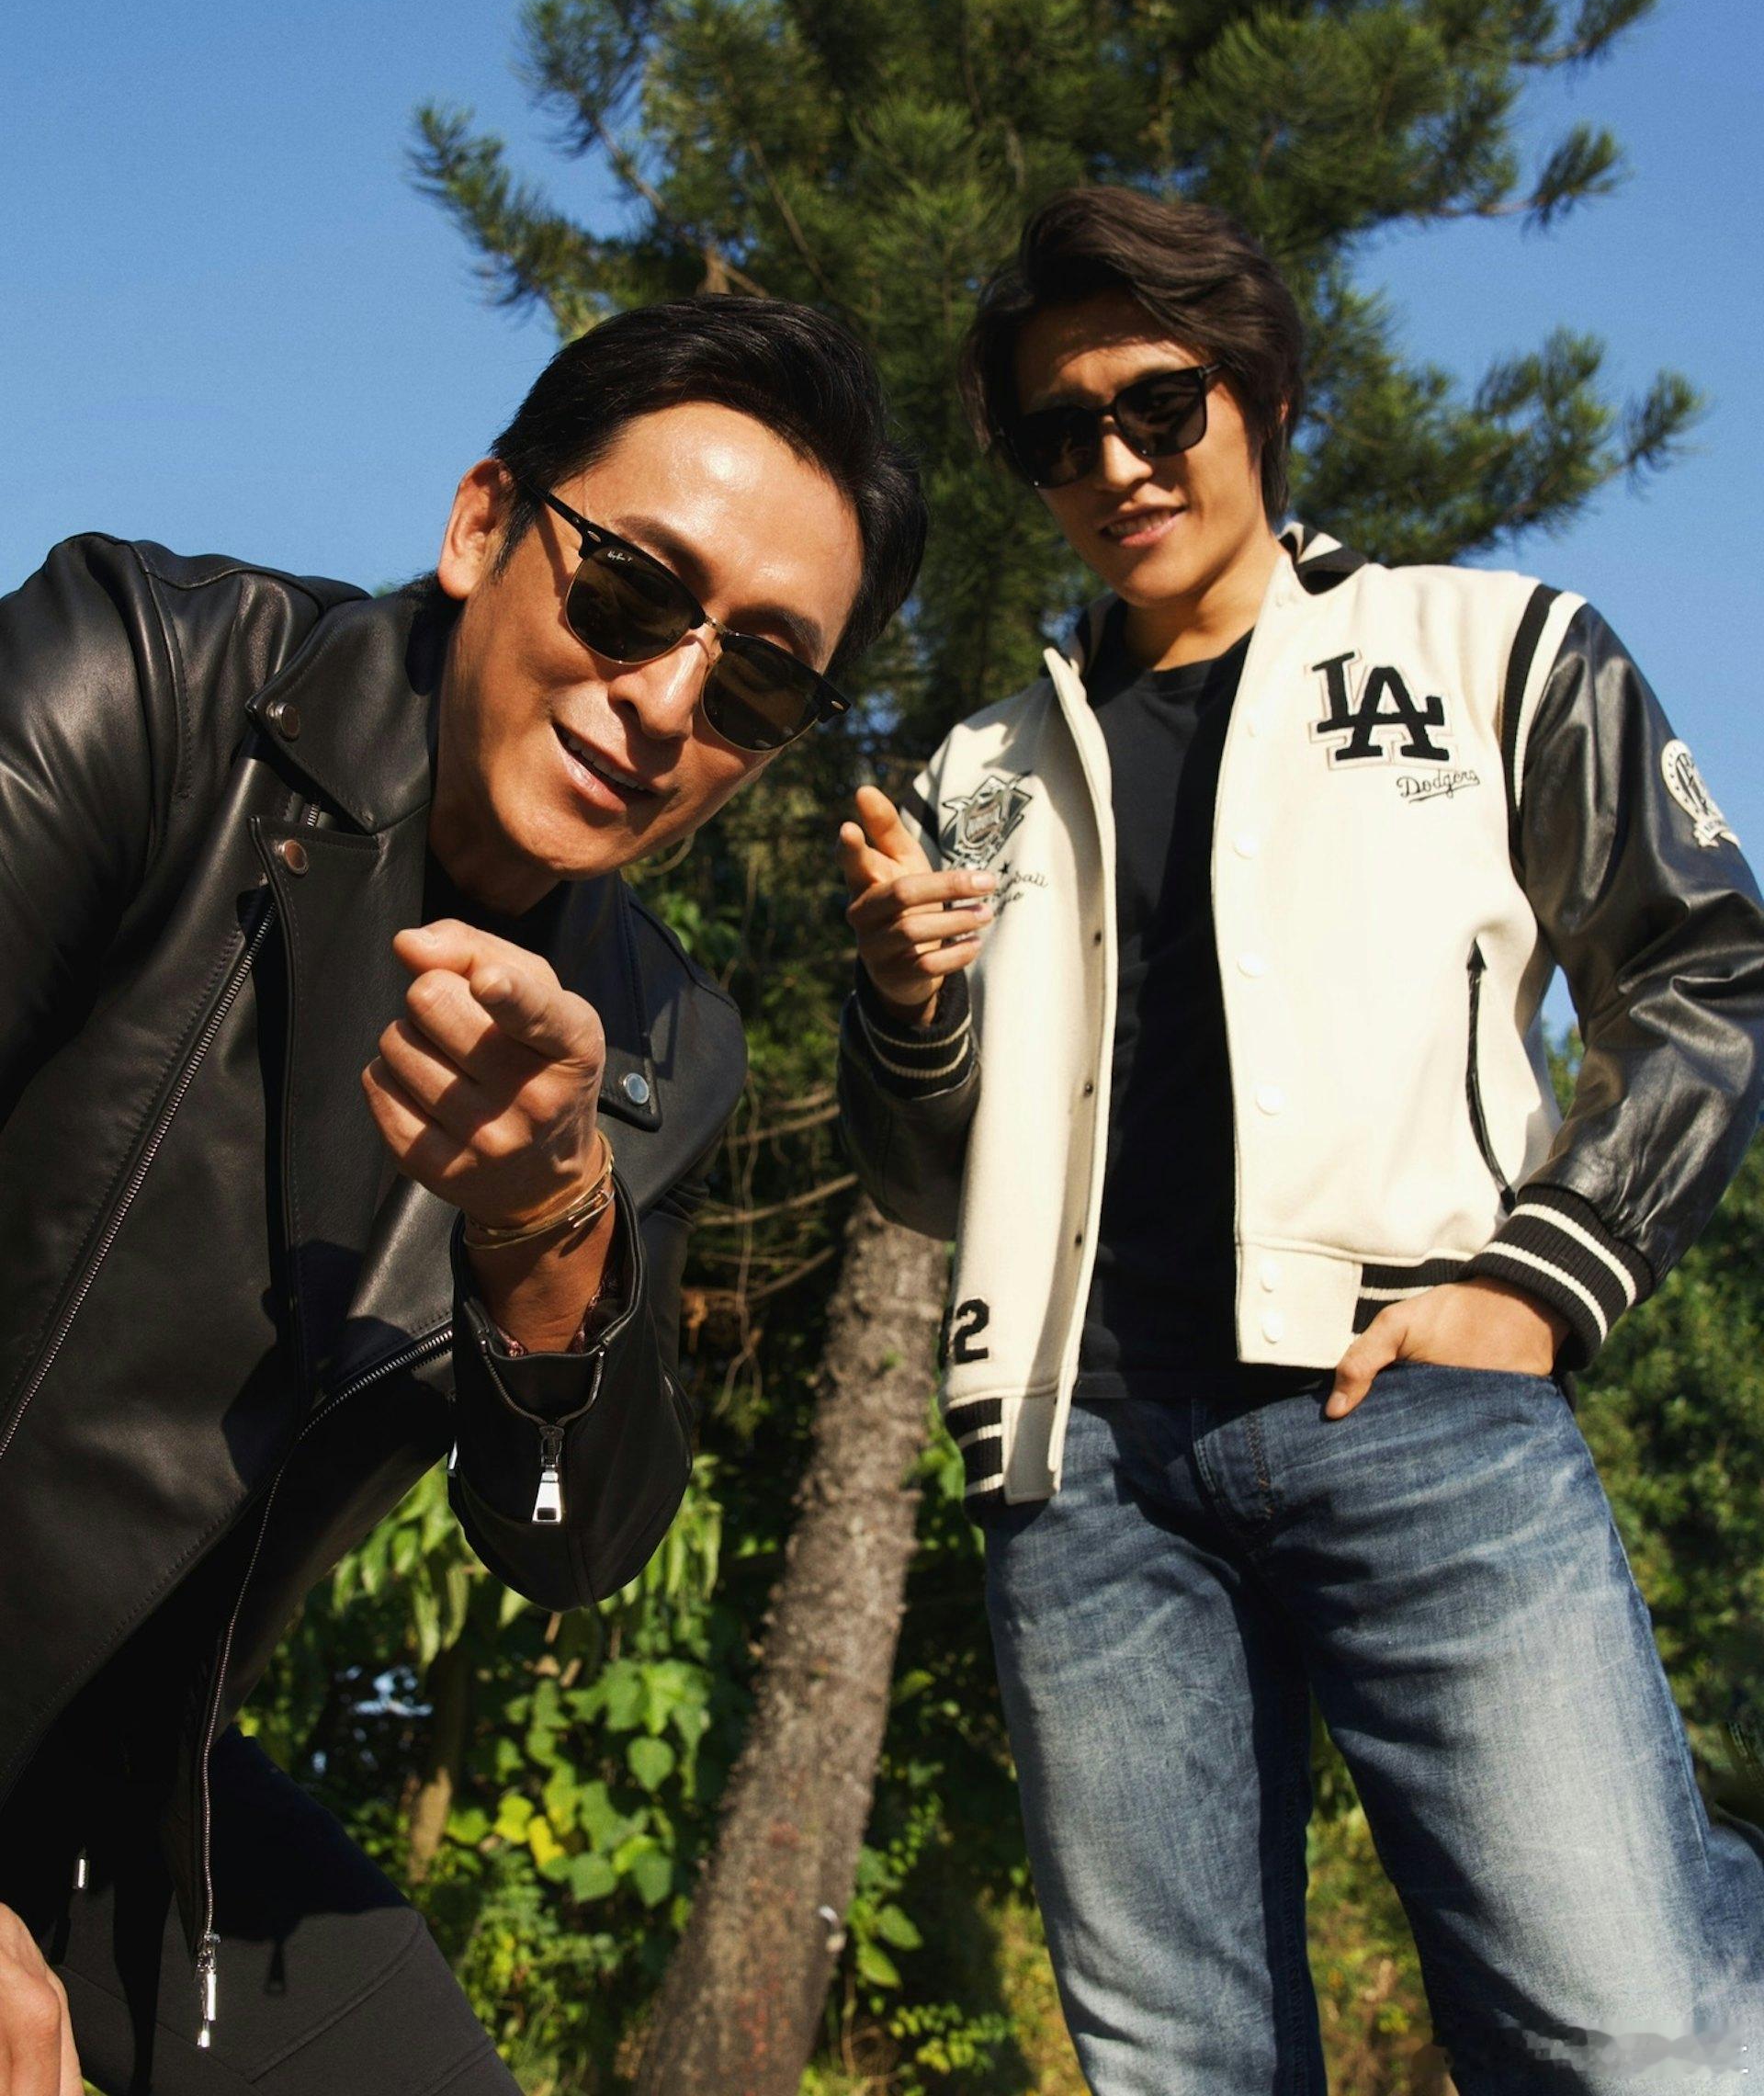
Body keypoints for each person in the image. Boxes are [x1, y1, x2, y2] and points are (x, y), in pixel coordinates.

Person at [837, 186, 1764, 2093]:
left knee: (1632, 2033)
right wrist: (909, 1006)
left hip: (1414, 1401)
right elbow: (926, 1178)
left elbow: (1703, 966)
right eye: (1059, 434)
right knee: (1182, 2072)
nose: (1116, 463)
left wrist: (1541, 1280)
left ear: (1258, 393)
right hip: (1086, 1478)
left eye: (1157, 404)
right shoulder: (980, 773)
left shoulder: (1494, 646)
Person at [0, 296, 925, 2095]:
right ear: (482, 522)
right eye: (633, 590)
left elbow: (572, 1536)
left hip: (126, 1796)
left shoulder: (659, 1048)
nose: (665, 701)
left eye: (755, 680)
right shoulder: (147, 683)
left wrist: (553, 1227)